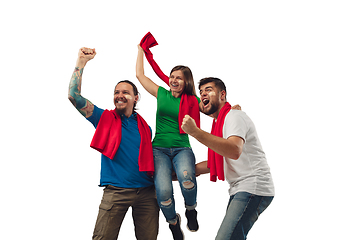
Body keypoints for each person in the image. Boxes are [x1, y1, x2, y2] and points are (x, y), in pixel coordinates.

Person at [68, 47, 159, 240]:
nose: (119, 95)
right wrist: (81, 62)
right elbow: (73, 96)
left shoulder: (146, 128)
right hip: (116, 191)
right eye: (116, 92)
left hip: (147, 192)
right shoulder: (103, 118)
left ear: (135, 98)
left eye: (125, 92)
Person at [181, 77, 275, 240]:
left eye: (208, 90)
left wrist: (195, 132)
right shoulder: (220, 122)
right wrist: (181, 173)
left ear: (222, 95)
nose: (203, 94)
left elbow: (233, 150)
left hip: (253, 186)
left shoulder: (234, 116)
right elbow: (215, 163)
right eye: (201, 91)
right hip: (241, 188)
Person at [136, 43, 200, 240]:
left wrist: (232, 109)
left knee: (187, 180)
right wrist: (140, 49)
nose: (173, 80)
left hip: (182, 148)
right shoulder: (162, 94)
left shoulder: (193, 100)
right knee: (163, 193)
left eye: (178, 78)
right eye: (171, 76)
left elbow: (214, 109)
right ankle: (173, 223)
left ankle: (190, 209)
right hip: (159, 150)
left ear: (186, 82)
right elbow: (140, 76)